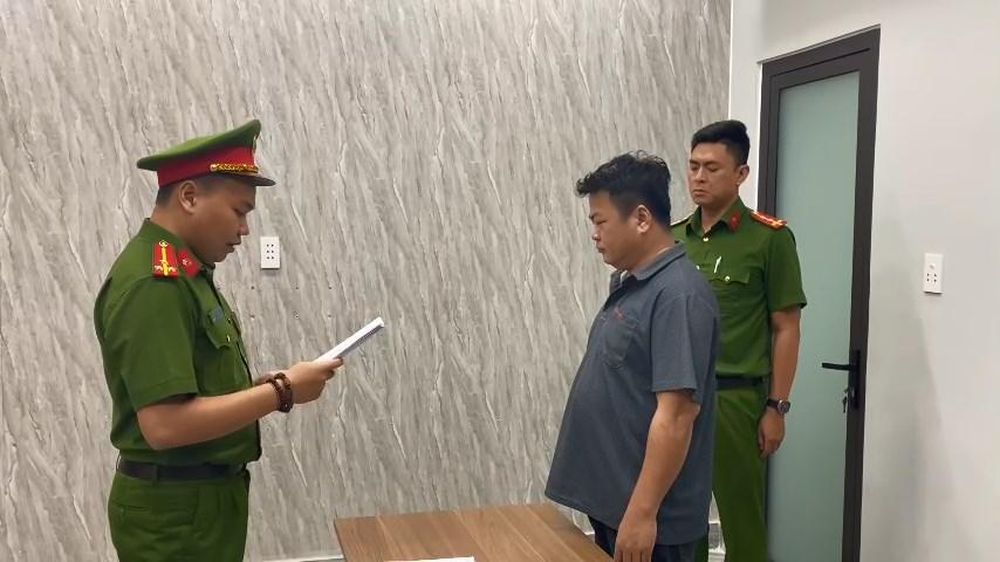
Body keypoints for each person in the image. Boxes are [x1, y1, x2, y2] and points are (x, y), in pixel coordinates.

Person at [94, 120, 343, 561]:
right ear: (189, 197)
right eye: (239, 211)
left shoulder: (187, 273)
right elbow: (165, 425)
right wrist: (281, 391)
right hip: (176, 516)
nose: (245, 230)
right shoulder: (156, 282)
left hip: (199, 502)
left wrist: (265, 386)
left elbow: (194, 389)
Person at [546, 151, 720, 562]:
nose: (595, 234)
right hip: (616, 504)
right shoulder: (637, 284)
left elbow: (676, 416)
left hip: (653, 521)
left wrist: (642, 514)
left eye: (600, 221)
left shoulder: (678, 296)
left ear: (641, 219)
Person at [673, 120, 806, 562]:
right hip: (678, 399)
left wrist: (776, 408)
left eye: (712, 168)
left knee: (742, 522)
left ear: (741, 174)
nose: (699, 177)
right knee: (679, 520)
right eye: (693, 166)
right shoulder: (674, 239)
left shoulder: (769, 239)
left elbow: (786, 328)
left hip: (735, 401)